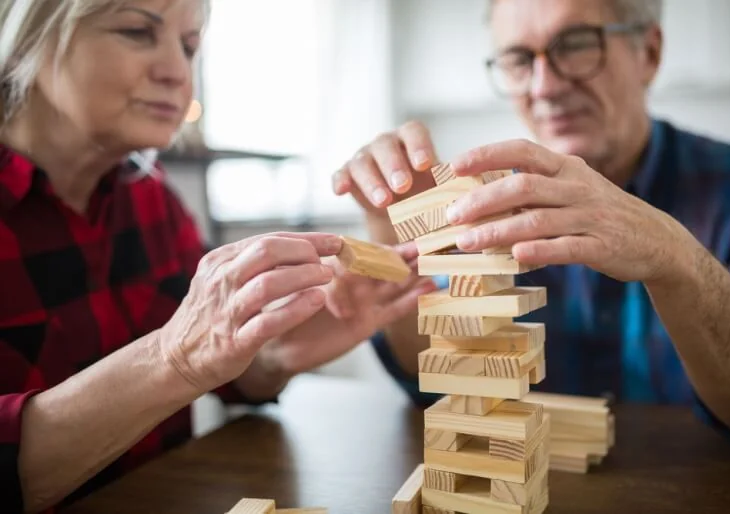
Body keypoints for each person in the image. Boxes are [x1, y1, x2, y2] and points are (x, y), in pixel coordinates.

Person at [0, 1, 435, 512]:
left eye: (189, 46)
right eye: (137, 31)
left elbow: (234, 381)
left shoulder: (153, 201)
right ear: (30, 36)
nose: (178, 72)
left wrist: (272, 351)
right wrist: (173, 358)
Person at [334, 0, 730, 458]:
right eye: (519, 60)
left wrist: (675, 260)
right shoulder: (488, 205)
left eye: (578, 45)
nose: (545, 86)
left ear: (649, 52)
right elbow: (445, 378)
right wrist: (391, 233)